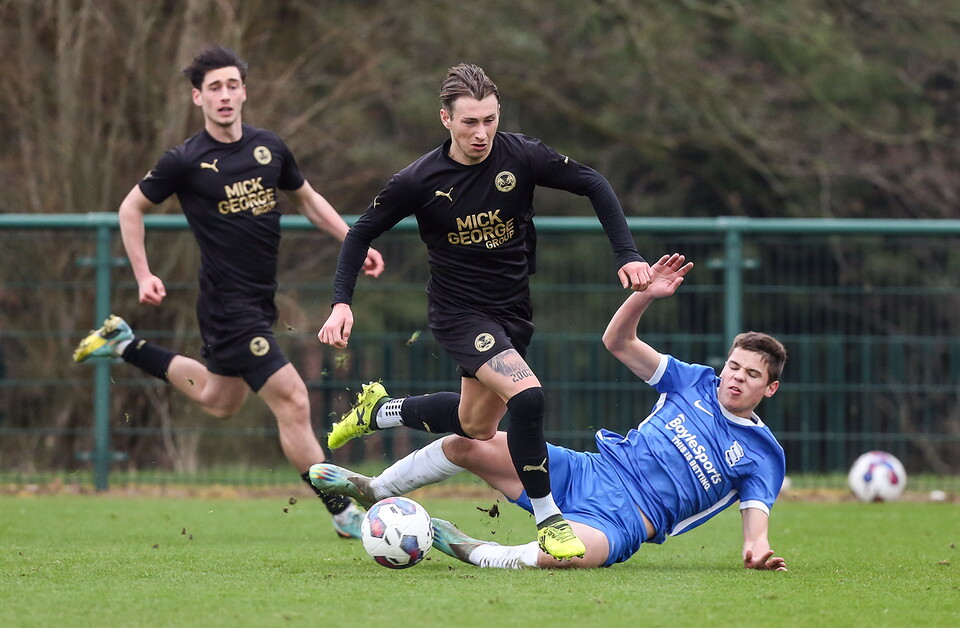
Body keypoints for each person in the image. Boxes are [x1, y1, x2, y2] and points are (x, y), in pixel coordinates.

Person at [317, 63, 651, 560]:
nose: (481, 133)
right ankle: (549, 519)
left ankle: (379, 410)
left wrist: (627, 253)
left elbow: (593, 182)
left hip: (513, 311)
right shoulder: (419, 179)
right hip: (459, 313)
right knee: (529, 397)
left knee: (474, 427)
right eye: (470, 122)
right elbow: (360, 232)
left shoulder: (522, 155)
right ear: (445, 119)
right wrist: (341, 302)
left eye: (490, 120)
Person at [72, 45, 384, 538]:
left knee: (220, 400)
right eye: (213, 87)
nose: (224, 95)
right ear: (198, 97)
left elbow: (307, 201)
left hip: (258, 300)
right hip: (226, 304)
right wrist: (143, 274)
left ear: (244, 92)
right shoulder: (184, 160)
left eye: (232, 85)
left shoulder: (269, 148)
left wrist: (353, 241)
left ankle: (124, 344)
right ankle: (343, 512)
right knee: (293, 400)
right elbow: (130, 209)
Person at [311, 253, 789, 570]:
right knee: (468, 442)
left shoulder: (763, 454)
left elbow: (756, 533)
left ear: (770, 389)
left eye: (751, 375)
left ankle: (476, 551)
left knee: (572, 555)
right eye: (733, 366)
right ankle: (376, 489)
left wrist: (759, 552)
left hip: (627, 519)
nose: (735, 377)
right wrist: (646, 293)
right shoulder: (694, 380)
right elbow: (617, 342)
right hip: (588, 470)